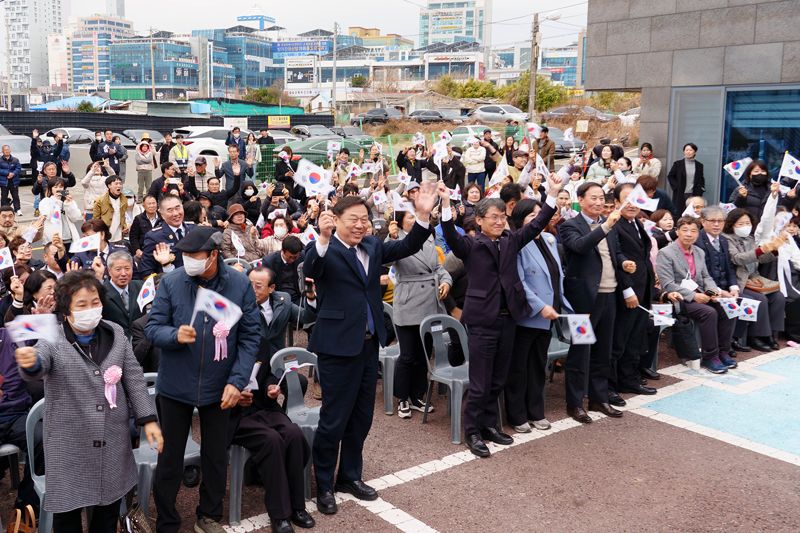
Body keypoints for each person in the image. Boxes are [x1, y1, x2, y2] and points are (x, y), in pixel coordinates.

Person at [304, 187, 438, 514]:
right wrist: (322, 238)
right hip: (337, 348)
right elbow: (311, 269)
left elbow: (408, 245)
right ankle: (323, 485)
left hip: (367, 345)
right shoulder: (324, 249)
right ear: (335, 221)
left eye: (365, 219)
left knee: (362, 417)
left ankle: (350, 475)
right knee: (334, 419)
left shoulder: (373, 245)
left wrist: (422, 214)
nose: (361, 225)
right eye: (353, 220)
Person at [16, 270, 163, 531]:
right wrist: (30, 362)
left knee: (107, 513)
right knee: (67, 516)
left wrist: (148, 419)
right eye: (81, 304)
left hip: (112, 439)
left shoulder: (116, 333)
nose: (90, 309)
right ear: (66, 310)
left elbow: (134, 378)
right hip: (69, 444)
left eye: (95, 302)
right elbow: (39, 361)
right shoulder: (53, 339)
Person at [145, 226, 261, 533]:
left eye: (193, 256)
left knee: (214, 456)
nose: (187, 261)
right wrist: (174, 334)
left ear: (212, 255)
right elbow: (151, 328)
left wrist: (237, 382)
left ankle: (208, 515)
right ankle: (167, 519)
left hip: (220, 386)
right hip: (175, 386)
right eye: (183, 256)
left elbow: (250, 336)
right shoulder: (171, 282)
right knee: (169, 458)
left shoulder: (238, 283)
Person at [439, 175, 560, 457]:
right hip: (482, 321)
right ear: (479, 221)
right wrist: (445, 202)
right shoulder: (471, 246)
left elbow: (538, 224)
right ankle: (472, 431)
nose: (498, 221)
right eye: (492, 217)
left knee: (498, 378)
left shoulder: (509, 241)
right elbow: (450, 233)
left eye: (501, 216)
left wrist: (552, 194)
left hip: (509, 319)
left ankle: (490, 425)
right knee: (480, 381)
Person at [230, 266, 316, 533]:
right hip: (234, 411)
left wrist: (270, 388)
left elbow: (266, 374)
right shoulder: (222, 338)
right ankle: (279, 515)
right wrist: (234, 391)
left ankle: (297, 505)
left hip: (263, 405)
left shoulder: (260, 339)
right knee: (271, 441)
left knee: (292, 434)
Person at [560, 181, 625, 424]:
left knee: (603, 351)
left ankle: (599, 398)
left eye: (601, 198)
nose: (599, 202)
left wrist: (624, 262)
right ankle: (575, 403)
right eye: (594, 198)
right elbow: (579, 247)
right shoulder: (570, 226)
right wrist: (606, 226)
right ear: (581, 199)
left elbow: (615, 254)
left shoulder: (609, 225)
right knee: (581, 352)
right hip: (583, 300)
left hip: (609, 295)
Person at [505, 199, 571, 433]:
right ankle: (517, 414)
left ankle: (536, 411)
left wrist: (563, 305)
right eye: (531, 216)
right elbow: (519, 282)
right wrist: (540, 306)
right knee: (519, 366)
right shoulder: (517, 244)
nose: (537, 219)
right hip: (528, 315)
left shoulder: (550, 240)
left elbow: (557, 276)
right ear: (520, 221)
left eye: (539, 215)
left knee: (538, 364)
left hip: (549, 314)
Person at [386, 210, 451, 418]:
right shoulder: (398, 240)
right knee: (407, 354)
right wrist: (391, 236)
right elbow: (386, 259)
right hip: (408, 300)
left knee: (424, 352)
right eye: (411, 217)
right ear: (401, 221)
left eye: (417, 216)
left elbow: (438, 267)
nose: (415, 220)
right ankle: (402, 398)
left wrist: (446, 281)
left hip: (430, 301)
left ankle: (417, 395)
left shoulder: (429, 237)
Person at [656, 217, 737, 373]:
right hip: (678, 298)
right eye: (685, 230)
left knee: (728, 308)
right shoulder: (665, 253)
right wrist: (693, 296)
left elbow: (706, 277)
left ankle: (723, 351)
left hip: (701, 293)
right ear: (677, 232)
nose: (689, 234)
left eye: (693, 231)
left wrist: (714, 292)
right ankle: (710, 356)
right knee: (709, 312)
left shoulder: (699, 251)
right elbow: (668, 283)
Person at [609, 184, 658, 403]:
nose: (631, 203)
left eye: (635, 198)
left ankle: (629, 378)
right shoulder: (615, 224)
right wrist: (627, 289)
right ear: (617, 203)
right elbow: (616, 258)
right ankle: (611, 384)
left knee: (635, 337)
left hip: (643, 288)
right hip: (626, 290)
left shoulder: (637, 223)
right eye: (626, 199)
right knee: (619, 339)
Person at [722, 206, 786, 351]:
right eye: (741, 223)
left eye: (747, 223)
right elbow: (737, 259)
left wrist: (773, 249)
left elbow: (760, 258)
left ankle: (772, 335)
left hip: (754, 278)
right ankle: (757, 336)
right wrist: (760, 250)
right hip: (738, 282)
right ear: (731, 224)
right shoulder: (727, 239)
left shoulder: (750, 238)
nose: (745, 226)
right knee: (760, 300)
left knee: (778, 297)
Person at [695, 206, 743, 355]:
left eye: (720, 221)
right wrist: (720, 292)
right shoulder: (697, 240)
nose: (717, 224)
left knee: (740, 301)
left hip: (723, 289)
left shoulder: (723, 239)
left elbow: (729, 267)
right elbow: (701, 275)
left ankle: (726, 347)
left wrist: (734, 288)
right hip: (705, 289)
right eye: (713, 221)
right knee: (725, 308)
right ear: (703, 222)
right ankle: (719, 350)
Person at [139, 195, 194, 278]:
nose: (175, 213)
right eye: (170, 210)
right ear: (162, 214)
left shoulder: (194, 230)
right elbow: (146, 270)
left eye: (178, 208)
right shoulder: (154, 237)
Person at [101, 250, 144, 338]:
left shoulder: (141, 286)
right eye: (118, 269)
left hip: (140, 340)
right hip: (114, 341)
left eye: (127, 269)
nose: (123, 273)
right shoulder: (101, 292)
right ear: (109, 271)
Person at [39, 177, 83, 246]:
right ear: (51, 189)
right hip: (54, 240)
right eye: (55, 187)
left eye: (61, 187)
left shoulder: (67, 202)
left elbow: (75, 218)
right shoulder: (46, 201)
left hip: (69, 238)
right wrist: (56, 201)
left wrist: (69, 204)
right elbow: (48, 216)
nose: (58, 189)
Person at [262, 236, 305, 305]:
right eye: (290, 257)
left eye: (295, 257)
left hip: (299, 296)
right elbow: (268, 286)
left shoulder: (302, 257)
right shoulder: (269, 262)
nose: (292, 260)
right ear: (283, 251)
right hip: (279, 299)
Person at [667, 142, 704, 209]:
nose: (688, 152)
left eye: (690, 150)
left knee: (693, 213)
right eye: (686, 150)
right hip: (680, 192)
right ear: (684, 152)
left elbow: (701, 179)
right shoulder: (678, 164)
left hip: (694, 194)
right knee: (679, 212)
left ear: (695, 152)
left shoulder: (699, 165)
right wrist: (676, 187)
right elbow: (670, 176)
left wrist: (701, 189)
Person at [93, 174, 128, 243]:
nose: (119, 186)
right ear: (109, 186)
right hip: (105, 236)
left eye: (120, 184)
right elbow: (96, 220)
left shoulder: (124, 200)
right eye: (116, 184)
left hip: (119, 236)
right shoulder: (99, 201)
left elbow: (123, 216)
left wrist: (125, 226)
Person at [129, 194, 162, 259]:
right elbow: (133, 237)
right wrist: (137, 249)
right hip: (144, 253)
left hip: (161, 252)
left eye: (153, 203)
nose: (152, 206)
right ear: (144, 206)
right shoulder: (138, 219)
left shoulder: (163, 217)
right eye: (149, 204)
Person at [0, 144, 22, 215]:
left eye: (8, 150)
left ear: (10, 150)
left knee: (15, 196)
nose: (7, 151)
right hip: (4, 182)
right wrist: (7, 173)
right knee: (4, 197)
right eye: (5, 150)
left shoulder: (15, 160)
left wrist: (13, 173)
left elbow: (18, 168)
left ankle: (17, 209)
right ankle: (3, 210)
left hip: (14, 181)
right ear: (2, 151)